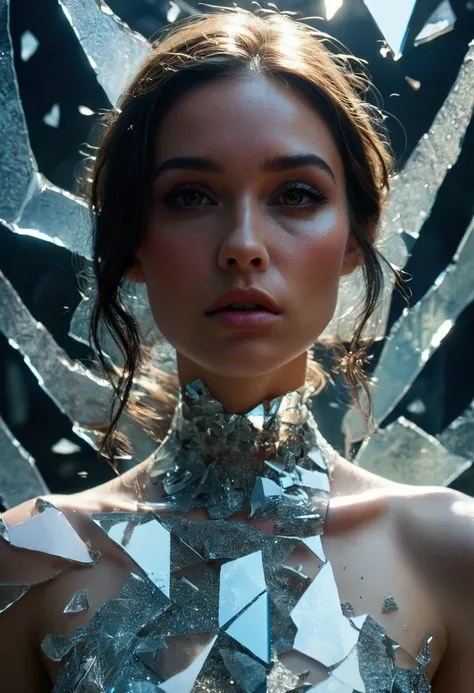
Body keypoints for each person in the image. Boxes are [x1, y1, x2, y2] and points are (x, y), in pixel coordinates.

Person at [0, 8, 473, 692]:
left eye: (295, 194)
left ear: (355, 237)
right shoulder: (27, 560)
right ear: (133, 239)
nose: (243, 244)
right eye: (191, 196)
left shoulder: (451, 551)